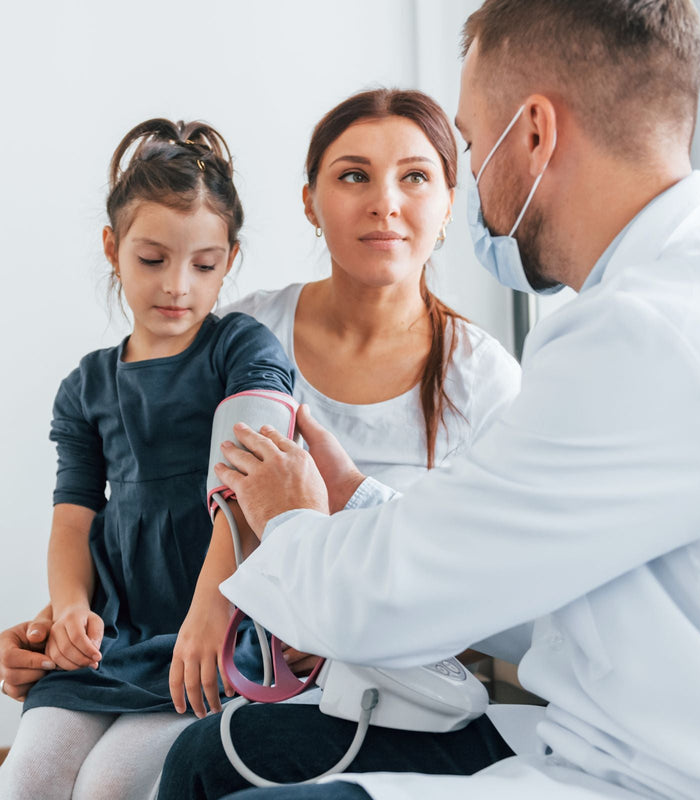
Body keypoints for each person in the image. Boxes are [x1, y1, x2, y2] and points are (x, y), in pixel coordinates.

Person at [160, 1, 700, 799]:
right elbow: (537, 584)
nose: (389, 203)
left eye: (467, 144)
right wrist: (356, 496)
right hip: (616, 744)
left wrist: (292, 517)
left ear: (532, 133)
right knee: (210, 761)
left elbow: (389, 603)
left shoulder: (640, 338)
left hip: (662, 777)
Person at [0, 89, 522, 792]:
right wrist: (65, 617)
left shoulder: (483, 379)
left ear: (450, 202)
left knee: (141, 776)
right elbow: (147, 504)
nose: (385, 203)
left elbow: (497, 583)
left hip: (366, 681)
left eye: (416, 177)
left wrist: (327, 622)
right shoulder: (237, 331)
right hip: (216, 647)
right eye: (354, 175)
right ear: (310, 201)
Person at [0, 118, 296, 800]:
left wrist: (211, 614)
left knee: (110, 787)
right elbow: (74, 517)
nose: (178, 286)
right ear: (113, 248)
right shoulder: (85, 385)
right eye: (153, 260)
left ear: (230, 259)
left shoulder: (242, 350)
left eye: (204, 265)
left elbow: (248, 485)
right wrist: (70, 610)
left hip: (217, 627)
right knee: (28, 780)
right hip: (114, 634)